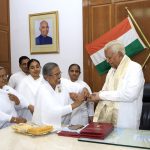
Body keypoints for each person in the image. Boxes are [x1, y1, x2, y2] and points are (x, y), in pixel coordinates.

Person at [88, 40, 145, 129]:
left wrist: (101, 95)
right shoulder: (111, 71)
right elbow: (105, 91)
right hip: (108, 121)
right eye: (106, 58)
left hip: (126, 122)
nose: (107, 61)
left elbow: (130, 95)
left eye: (109, 58)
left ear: (119, 54)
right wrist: (95, 97)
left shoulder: (134, 68)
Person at [32, 62, 88, 129]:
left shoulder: (59, 83)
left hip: (60, 127)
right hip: (44, 128)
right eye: (56, 74)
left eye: (60, 73)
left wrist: (84, 89)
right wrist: (75, 104)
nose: (59, 76)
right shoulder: (43, 90)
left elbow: (75, 85)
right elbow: (53, 112)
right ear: (46, 77)